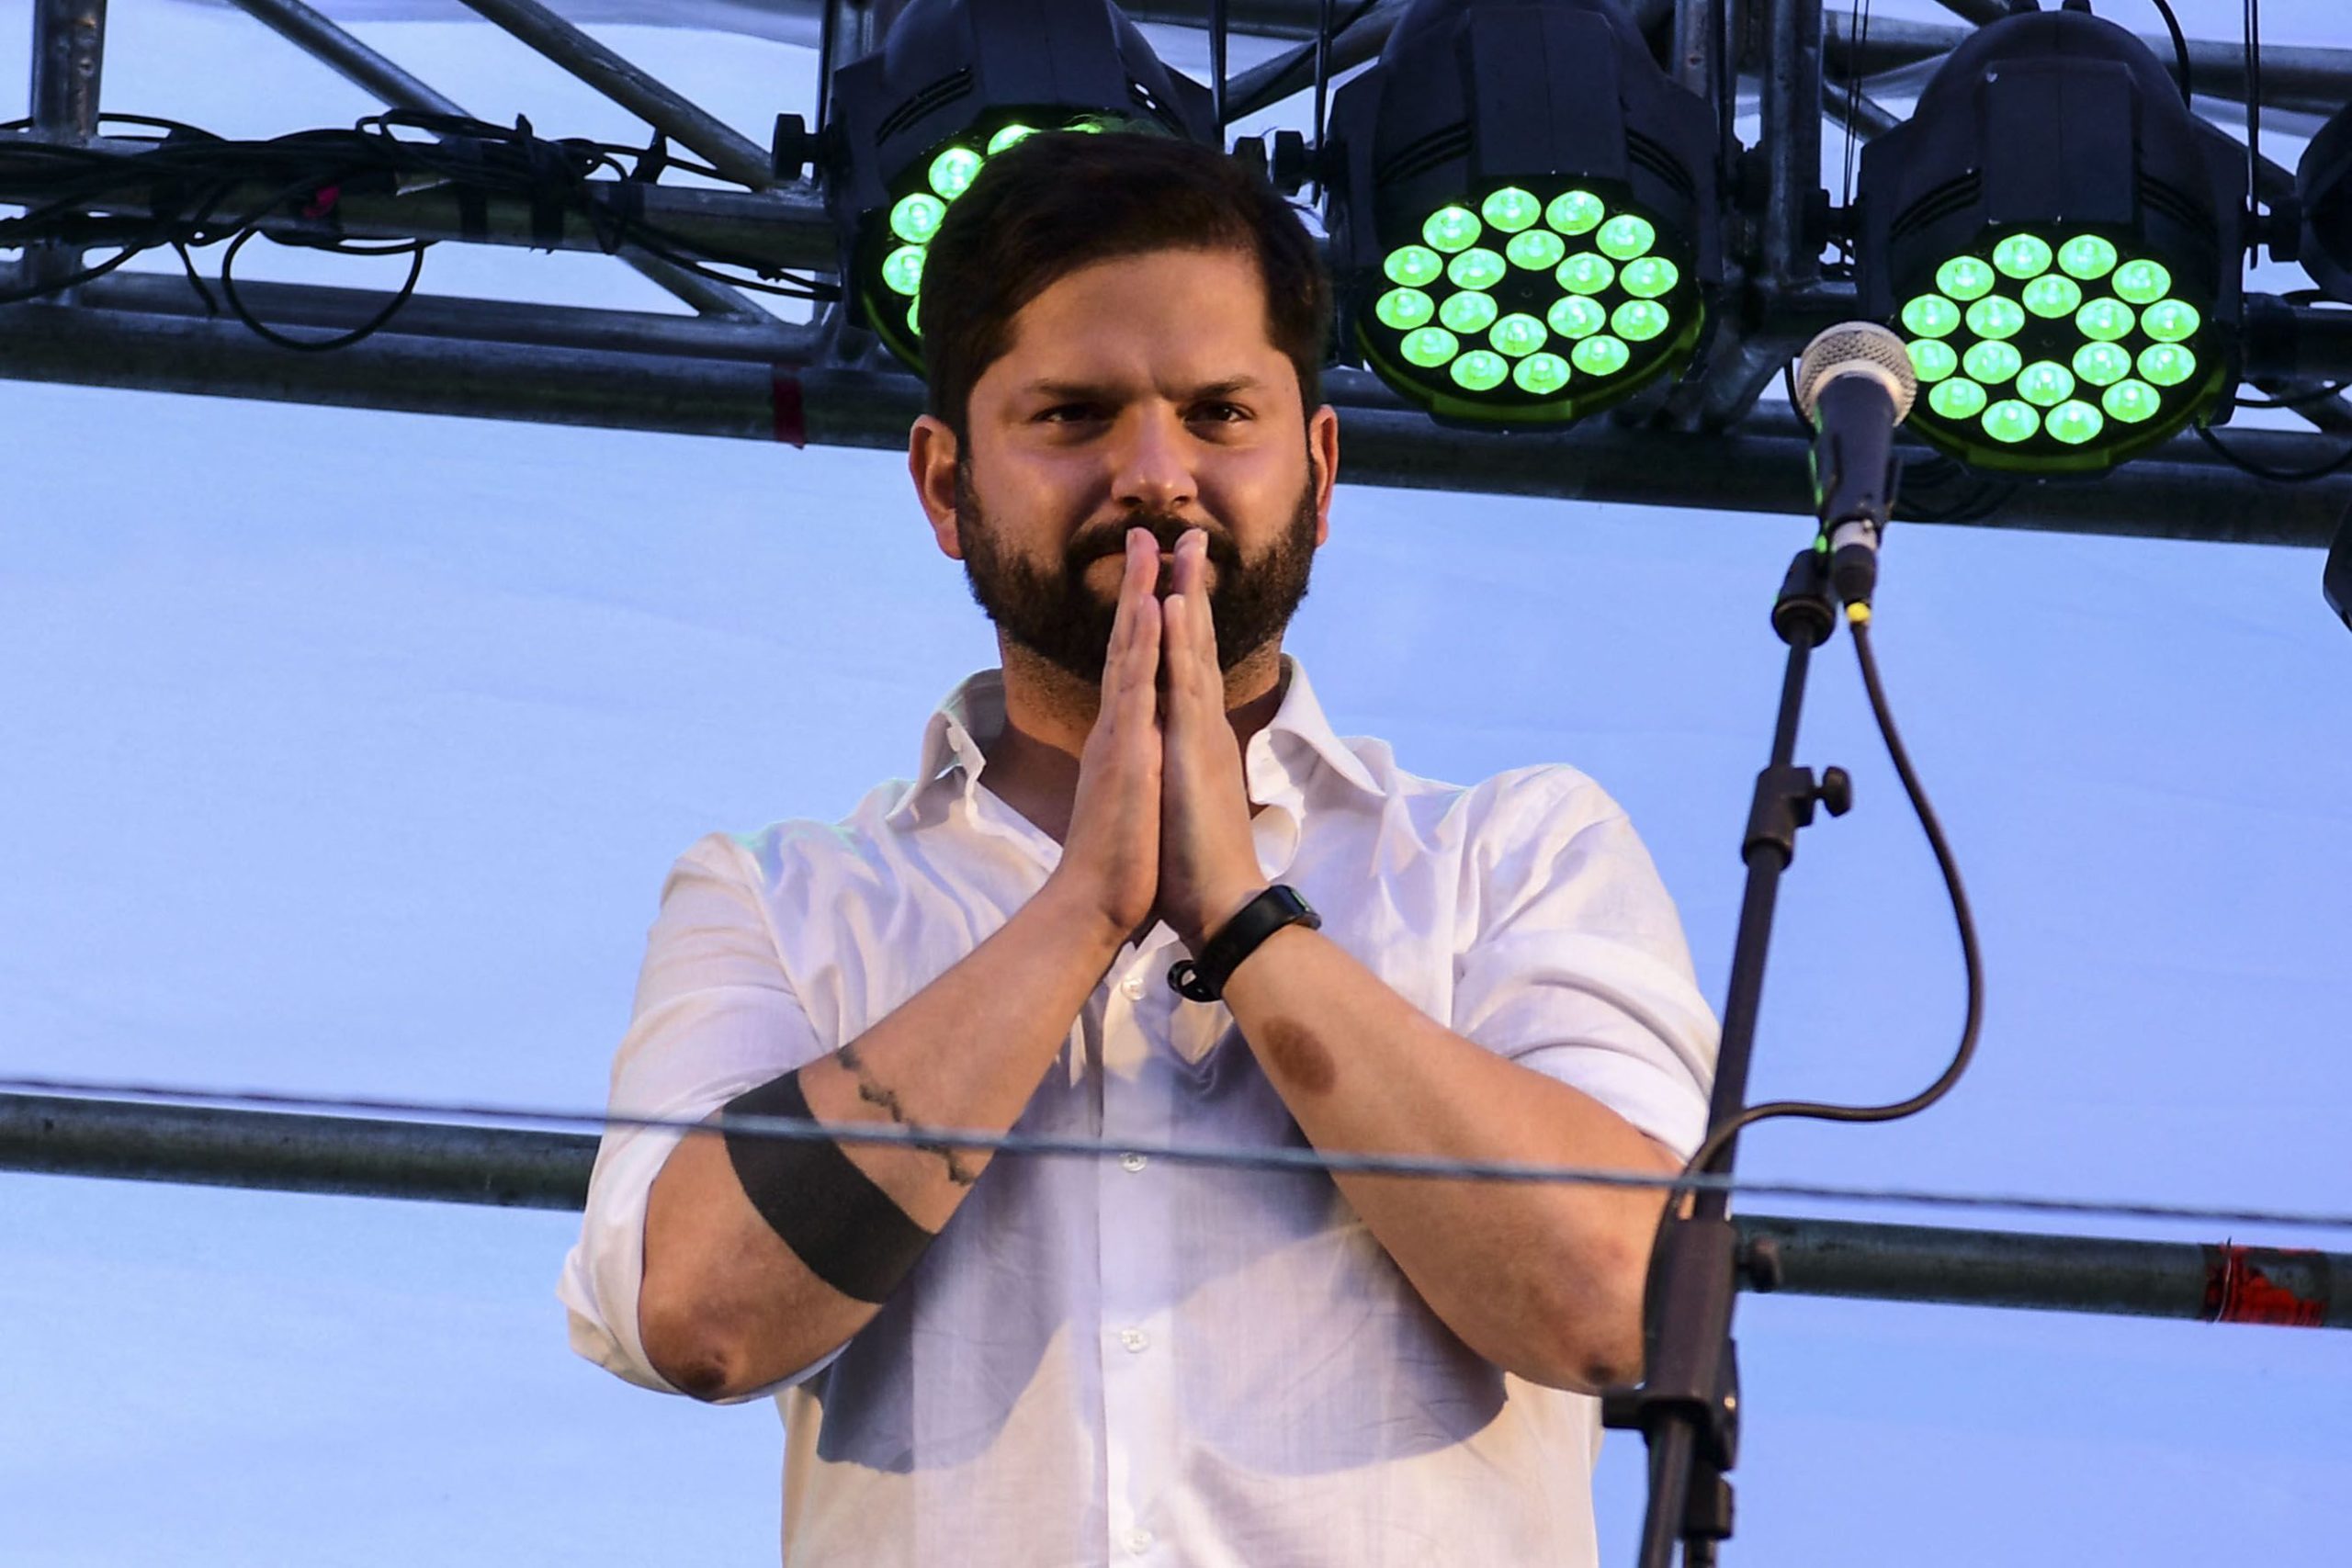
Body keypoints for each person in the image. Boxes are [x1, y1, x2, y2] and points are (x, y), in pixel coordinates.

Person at [559, 129, 1718, 1567]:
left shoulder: (1514, 854)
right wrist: (1080, 910)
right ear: (944, 485)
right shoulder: (785, 900)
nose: (1157, 475)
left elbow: (1620, 1302)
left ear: (1320, 469)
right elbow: (696, 1314)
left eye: (1220, 413)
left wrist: (1239, 915)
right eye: (1074, 415)